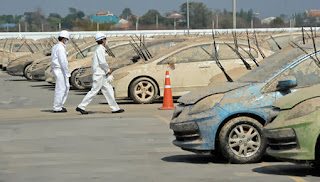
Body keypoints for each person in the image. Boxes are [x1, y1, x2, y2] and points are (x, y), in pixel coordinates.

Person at [76, 32, 124, 114]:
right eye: (105, 39)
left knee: (108, 90)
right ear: (102, 40)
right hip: (99, 75)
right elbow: (102, 62)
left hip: (101, 75)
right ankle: (81, 106)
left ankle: (115, 108)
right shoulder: (100, 50)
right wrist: (108, 70)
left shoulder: (98, 49)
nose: (106, 41)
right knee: (94, 91)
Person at [51, 30, 70, 113]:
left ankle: (60, 105)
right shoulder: (61, 48)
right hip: (60, 70)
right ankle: (57, 107)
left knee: (65, 87)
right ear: (64, 39)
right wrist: (67, 72)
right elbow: (63, 62)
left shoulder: (55, 47)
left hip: (57, 69)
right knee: (61, 88)